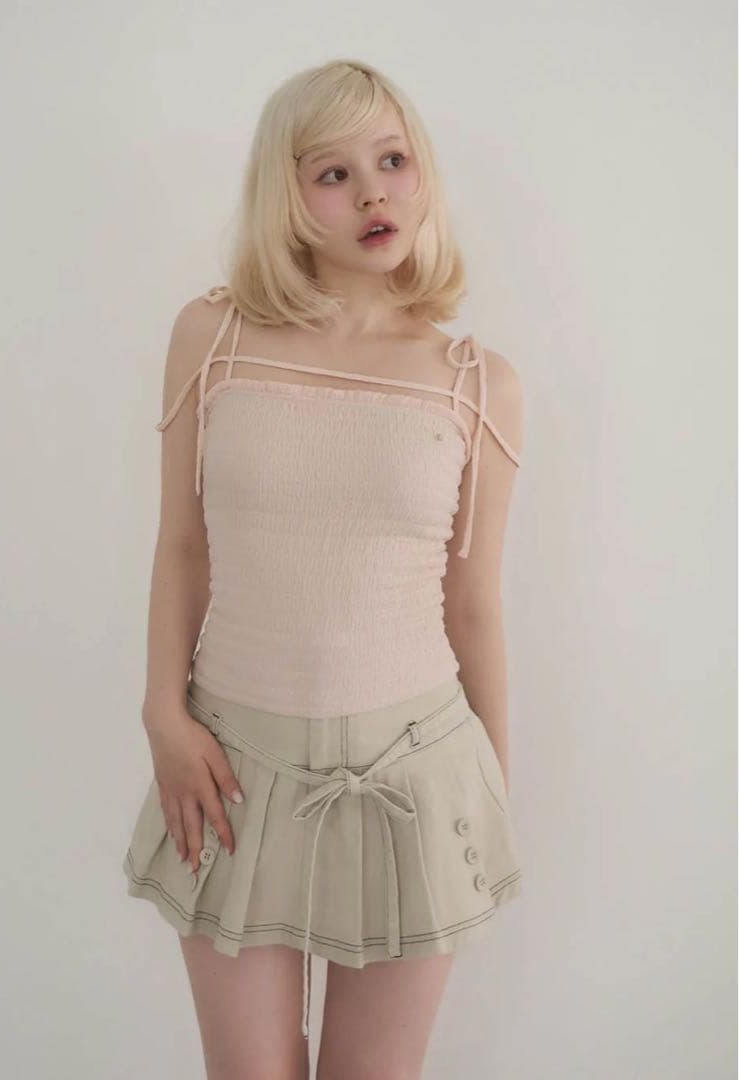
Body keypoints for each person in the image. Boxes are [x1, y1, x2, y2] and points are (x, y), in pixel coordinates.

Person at [122, 57, 524, 1080]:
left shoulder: (478, 383)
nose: (372, 193)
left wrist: (491, 787)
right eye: (332, 173)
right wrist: (162, 714)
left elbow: (473, 603)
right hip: (227, 767)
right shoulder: (212, 336)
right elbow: (181, 543)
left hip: (416, 772)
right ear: (287, 196)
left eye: (392, 161)